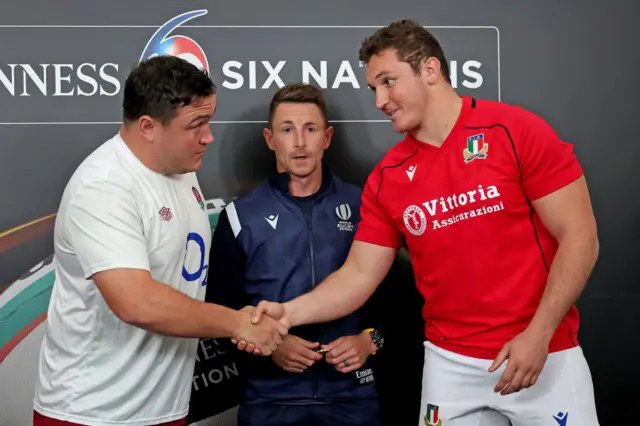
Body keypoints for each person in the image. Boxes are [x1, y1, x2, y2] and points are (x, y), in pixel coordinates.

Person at [248, 19, 601, 426]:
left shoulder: (515, 131)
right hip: (450, 364)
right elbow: (359, 275)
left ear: (430, 70)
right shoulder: (389, 176)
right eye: (373, 88)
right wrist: (287, 314)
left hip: (544, 354)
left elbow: (580, 237)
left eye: (388, 81)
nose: (380, 100)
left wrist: (538, 337)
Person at [32, 56, 288, 426]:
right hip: (92, 413)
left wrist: (256, 314)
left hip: (163, 408)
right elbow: (137, 302)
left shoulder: (182, 167)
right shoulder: (104, 186)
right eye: (195, 125)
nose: (208, 137)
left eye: (209, 121)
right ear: (149, 127)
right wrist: (239, 324)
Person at [206, 83, 387, 426]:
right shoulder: (240, 216)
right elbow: (220, 311)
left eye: (310, 129)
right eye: (287, 130)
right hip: (269, 400)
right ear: (270, 139)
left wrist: (370, 341)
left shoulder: (365, 206)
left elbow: (397, 299)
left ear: (328, 137)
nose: (300, 142)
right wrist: (272, 345)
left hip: (352, 398)